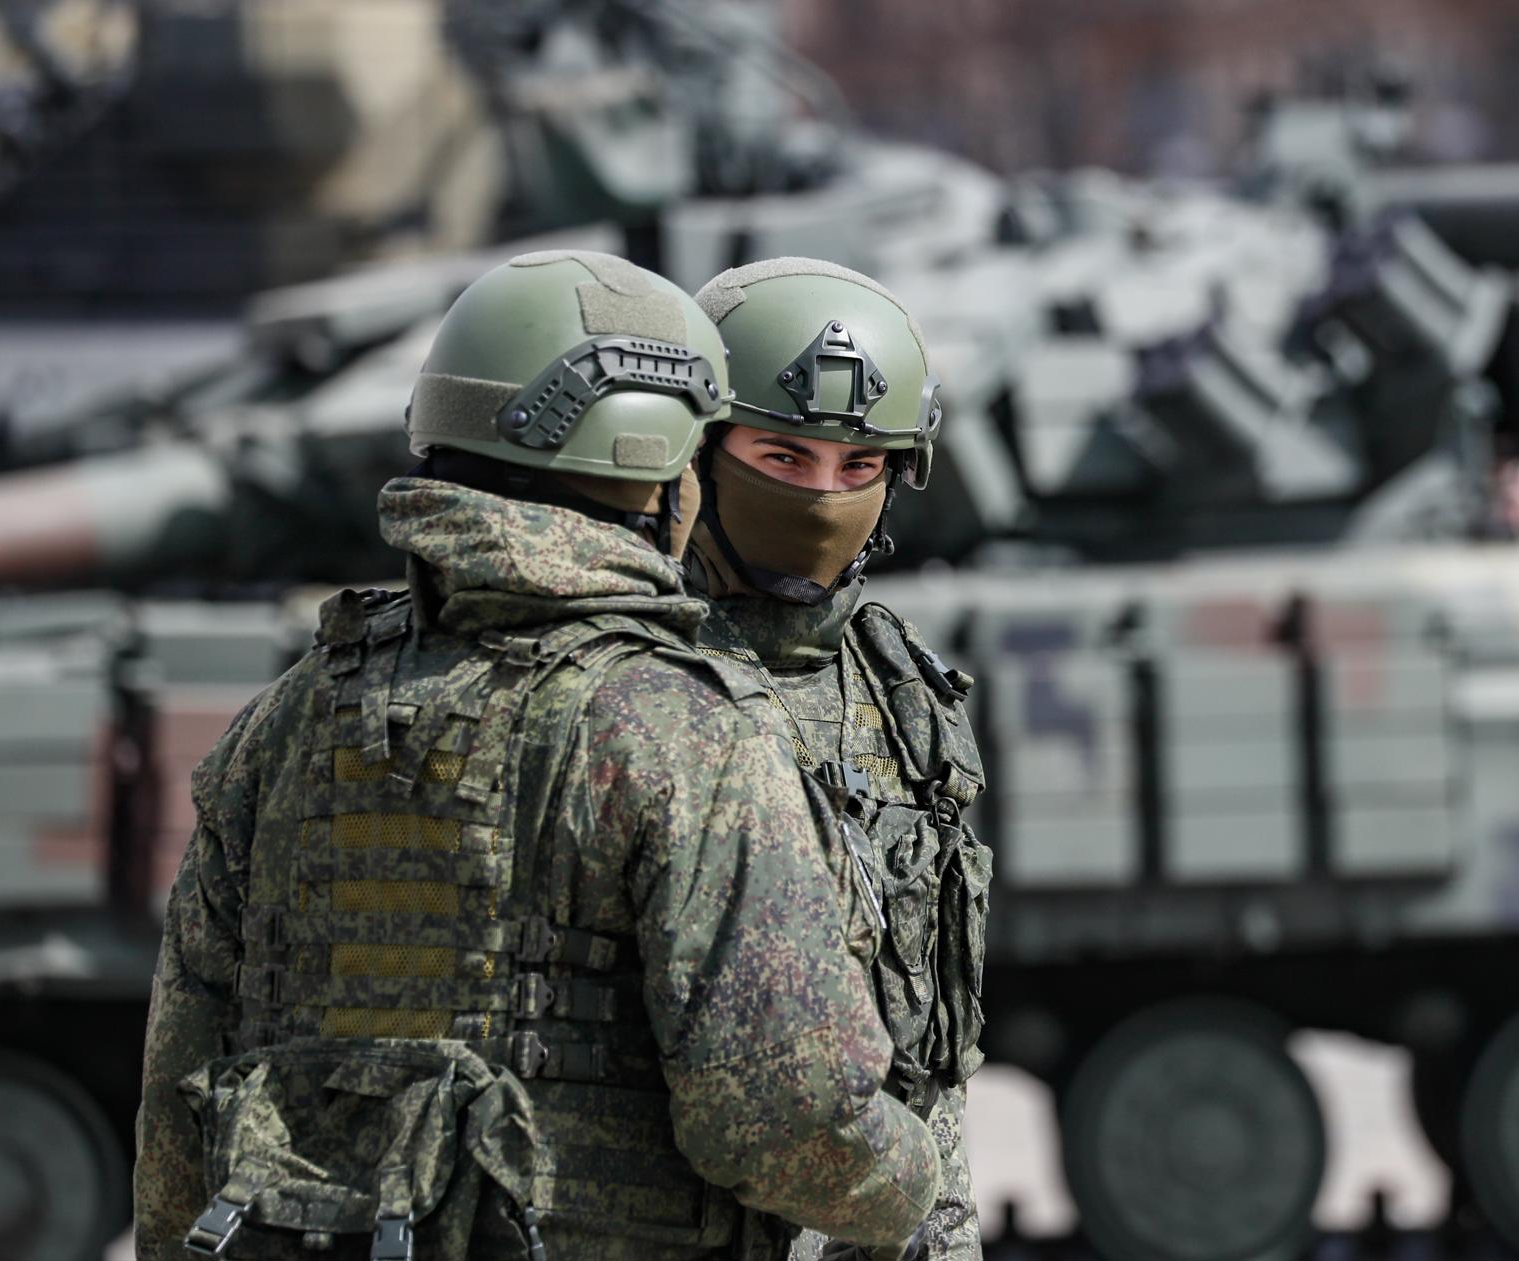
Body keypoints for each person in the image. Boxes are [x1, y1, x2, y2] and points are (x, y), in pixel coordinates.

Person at [133, 250, 939, 1261]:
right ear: (656, 470)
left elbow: (179, 1101)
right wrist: (915, 1189)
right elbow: (780, 1117)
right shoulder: (681, 731)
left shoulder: (289, 715)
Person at [687, 258, 993, 1261]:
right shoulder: (618, 685)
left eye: (858, 468)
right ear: (696, 450)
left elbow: (930, 1060)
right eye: (783, 457)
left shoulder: (906, 699)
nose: (823, 498)